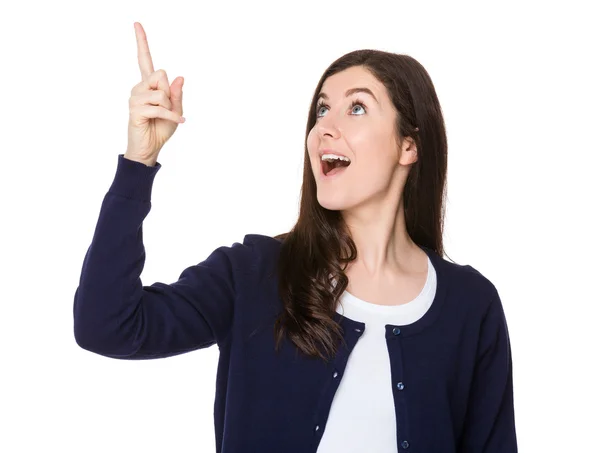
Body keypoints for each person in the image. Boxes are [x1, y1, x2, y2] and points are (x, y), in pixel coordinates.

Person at [73, 21, 518, 453]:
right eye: (322, 109)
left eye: (357, 107)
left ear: (409, 146)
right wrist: (139, 163)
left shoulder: (470, 306)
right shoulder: (253, 273)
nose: (325, 126)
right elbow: (107, 326)